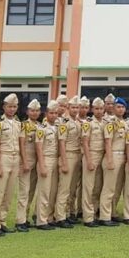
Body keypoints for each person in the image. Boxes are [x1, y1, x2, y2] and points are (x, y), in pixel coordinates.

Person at [0, 93, 23, 236]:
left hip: (15, 159)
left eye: (14, 107)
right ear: (4, 107)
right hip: (3, 157)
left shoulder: (18, 123)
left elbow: (21, 144)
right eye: (9, 106)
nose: (12, 109)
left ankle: (2, 221)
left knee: (9, 194)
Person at [97, 98, 128, 226]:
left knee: (116, 189)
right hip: (113, 156)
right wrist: (109, 160)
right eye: (118, 106)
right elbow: (108, 142)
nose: (120, 109)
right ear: (113, 108)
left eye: (123, 107)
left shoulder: (124, 123)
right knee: (108, 188)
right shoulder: (111, 123)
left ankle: (112, 213)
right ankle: (104, 216)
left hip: (122, 157)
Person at [54, 95, 82, 228]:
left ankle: (68, 213)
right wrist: (64, 161)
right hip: (68, 155)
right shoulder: (64, 123)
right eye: (73, 107)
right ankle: (60, 216)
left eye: (77, 107)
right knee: (64, 188)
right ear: (68, 108)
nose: (75, 109)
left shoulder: (77, 122)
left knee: (72, 188)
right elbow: (62, 143)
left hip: (77, 155)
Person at [34, 100, 60, 230]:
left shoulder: (57, 128)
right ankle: (41, 220)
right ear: (46, 114)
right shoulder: (41, 128)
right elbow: (38, 148)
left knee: (52, 191)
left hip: (55, 160)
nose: (54, 115)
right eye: (51, 113)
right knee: (44, 191)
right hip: (45, 160)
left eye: (56, 113)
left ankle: (48, 217)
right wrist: (42, 165)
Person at [16, 98, 40, 232]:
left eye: (37, 111)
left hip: (37, 161)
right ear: (27, 111)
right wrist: (24, 162)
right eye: (32, 110)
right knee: (24, 192)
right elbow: (22, 145)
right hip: (26, 159)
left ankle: (26, 216)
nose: (35, 113)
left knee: (31, 191)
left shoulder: (41, 126)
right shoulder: (23, 125)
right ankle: (20, 220)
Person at [81, 98, 106, 228]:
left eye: (101, 108)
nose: (99, 111)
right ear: (92, 109)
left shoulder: (105, 123)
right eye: (96, 108)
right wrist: (89, 160)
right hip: (91, 155)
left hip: (102, 156)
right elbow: (85, 142)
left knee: (97, 187)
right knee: (88, 188)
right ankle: (88, 217)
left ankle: (94, 213)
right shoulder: (88, 123)